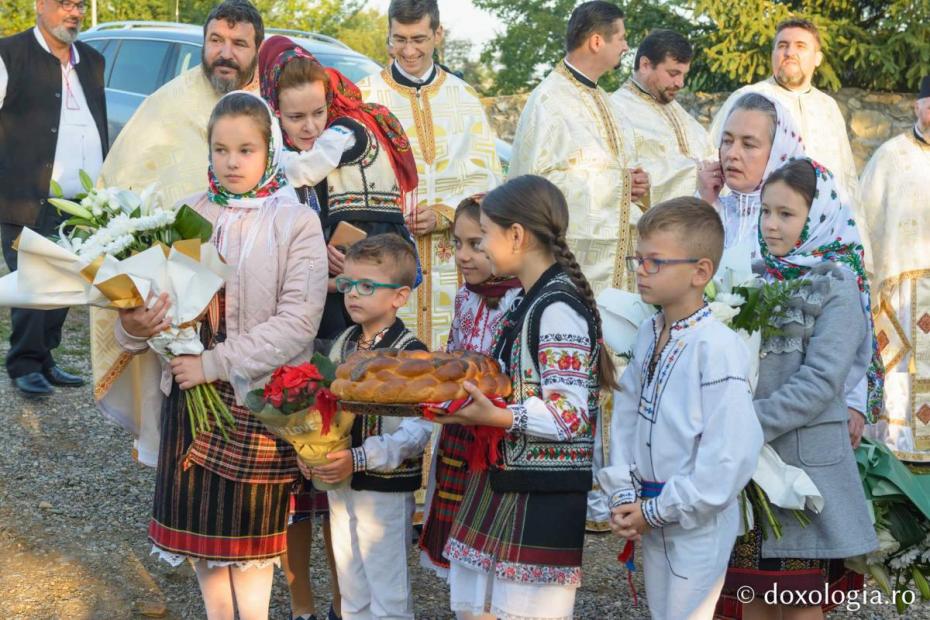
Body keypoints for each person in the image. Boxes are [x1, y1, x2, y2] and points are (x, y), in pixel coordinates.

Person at [113, 91, 328, 620]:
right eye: (221, 149)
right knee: (204, 547)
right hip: (190, 404)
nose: (232, 162)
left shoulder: (295, 222)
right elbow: (154, 303)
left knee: (250, 554)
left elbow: (299, 322)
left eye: (246, 150)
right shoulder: (186, 213)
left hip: (257, 400)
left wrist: (210, 365)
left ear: (270, 151)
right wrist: (133, 326)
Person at [92, 0, 266, 466]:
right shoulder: (164, 106)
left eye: (238, 43)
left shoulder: (268, 112)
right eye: (215, 41)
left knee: (251, 438)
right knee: (179, 435)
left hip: (253, 299)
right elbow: (124, 193)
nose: (224, 53)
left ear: (257, 51)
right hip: (179, 303)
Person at [433, 175, 615, 620]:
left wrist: (493, 416)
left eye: (486, 236)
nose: (481, 249)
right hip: (509, 478)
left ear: (516, 235)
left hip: (540, 492)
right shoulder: (530, 301)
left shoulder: (556, 308)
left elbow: (570, 416)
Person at [507, 0, 649, 533]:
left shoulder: (608, 104)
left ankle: (610, 486)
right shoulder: (548, 102)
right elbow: (531, 185)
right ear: (596, 41)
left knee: (614, 365)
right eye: (619, 39)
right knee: (570, 372)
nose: (623, 47)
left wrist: (637, 185)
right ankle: (575, 485)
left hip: (613, 265)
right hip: (571, 266)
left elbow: (614, 173)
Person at [717, 158, 880, 620]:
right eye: (766, 211)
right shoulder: (753, 276)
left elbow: (821, 381)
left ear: (818, 216)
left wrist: (746, 424)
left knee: (799, 606)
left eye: (786, 214)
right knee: (753, 602)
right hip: (754, 473)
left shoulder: (836, 286)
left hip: (807, 475)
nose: (770, 225)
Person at [597, 197, 763, 620]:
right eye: (638, 259)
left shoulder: (717, 349)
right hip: (651, 513)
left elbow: (728, 455)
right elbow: (627, 414)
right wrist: (623, 493)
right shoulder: (651, 333)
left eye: (655, 262)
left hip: (696, 524)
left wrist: (657, 511)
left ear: (700, 272)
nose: (640, 271)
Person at [357, 0, 502, 352]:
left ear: (438, 34)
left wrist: (446, 213)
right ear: (388, 36)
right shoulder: (364, 98)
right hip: (387, 257)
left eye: (419, 39)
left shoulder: (464, 99)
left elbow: (491, 184)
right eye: (399, 39)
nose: (408, 50)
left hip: (451, 261)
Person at [258, 34, 419, 342]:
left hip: (364, 290)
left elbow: (300, 170)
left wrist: (354, 269)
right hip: (311, 302)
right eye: (296, 117)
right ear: (274, 110)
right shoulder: (287, 144)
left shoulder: (344, 130)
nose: (310, 127)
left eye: (318, 112)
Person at [311, 233, 431, 620]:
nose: (352, 295)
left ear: (399, 296)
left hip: (385, 486)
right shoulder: (342, 342)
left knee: (387, 590)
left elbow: (418, 432)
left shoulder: (410, 353)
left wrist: (362, 457)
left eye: (366, 286)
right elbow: (320, 407)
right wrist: (309, 450)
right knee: (351, 585)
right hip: (339, 481)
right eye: (347, 284)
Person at [0, 0, 107, 397]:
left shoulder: (92, 60)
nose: (75, 12)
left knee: (64, 281)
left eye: (80, 4)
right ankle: (24, 363)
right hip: (26, 193)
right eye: (64, 3)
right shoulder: (9, 53)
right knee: (34, 281)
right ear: (40, 5)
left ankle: (45, 357)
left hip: (81, 202)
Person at [418, 195, 522, 578]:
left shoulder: (520, 299)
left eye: (476, 244)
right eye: (457, 243)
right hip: (461, 428)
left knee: (491, 544)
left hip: (496, 436)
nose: (463, 255)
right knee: (459, 542)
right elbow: (457, 351)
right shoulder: (465, 296)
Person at [709, 19, 859, 204]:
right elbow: (713, 164)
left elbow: (846, 176)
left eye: (801, 46)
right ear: (773, 54)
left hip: (823, 224)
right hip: (761, 222)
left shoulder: (828, 107)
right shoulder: (747, 97)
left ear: (817, 58)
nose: (789, 53)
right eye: (782, 46)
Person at [860, 76, 930, 461]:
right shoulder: (890, 156)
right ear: (917, 107)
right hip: (898, 294)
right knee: (898, 377)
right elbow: (865, 218)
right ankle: (895, 457)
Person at [611, 29, 715, 206]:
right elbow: (623, 181)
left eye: (684, 75)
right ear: (645, 65)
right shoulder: (616, 112)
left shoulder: (679, 113)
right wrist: (696, 172)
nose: (680, 83)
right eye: (673, 74)